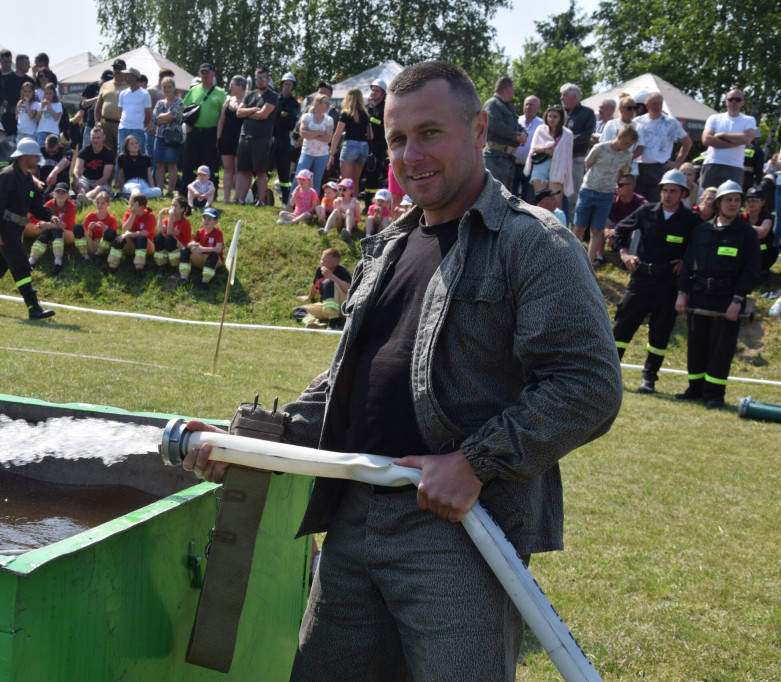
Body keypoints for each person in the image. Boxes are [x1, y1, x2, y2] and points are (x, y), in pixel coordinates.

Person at [181, 60, 621, 681]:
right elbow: (346, 386)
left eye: (430, 133)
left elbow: (589, 386)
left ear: (476, 132)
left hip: (460, 532)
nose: (410, 154)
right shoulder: (386, 245)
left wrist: (475, 463)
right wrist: (254, 442)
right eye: (395, 138)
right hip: (354, 519)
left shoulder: (535, 244)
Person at [612, 169, 703, 394]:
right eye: (664, 190)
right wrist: (624, 254)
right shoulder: (646, 211)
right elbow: (620, 229)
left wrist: (686, 261)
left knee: (660, 334)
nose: (668, 195)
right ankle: (609, 373)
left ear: (683, 193)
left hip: (669, 284)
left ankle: (649, 377)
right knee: (621, 328)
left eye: (673, 191)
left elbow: (702, 247)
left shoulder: (691, 220)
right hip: (641, 279)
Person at [675, 180, 760, 408]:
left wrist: (737, 300)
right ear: (719, 203)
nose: (733, 204)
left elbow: (751, 270)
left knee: (721, 349)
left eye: (736, 200)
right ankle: (695, 389)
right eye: (728, 200)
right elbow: (688, 263)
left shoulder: (747, 234)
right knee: (697, 345)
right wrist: (682, 293)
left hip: (728, 298)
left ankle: (714, 395)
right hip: (700, 294)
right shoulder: (702, 230)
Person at [0, 137, 57, 319]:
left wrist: (49, 215)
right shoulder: (7, 176)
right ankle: (33, 307)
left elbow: (35, 203)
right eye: (35, 157)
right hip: (5, 229)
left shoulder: (27, 178)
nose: (38, 160)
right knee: (21, 265)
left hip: (15, 229)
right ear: (25, 157)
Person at [574, 125, 638, 267]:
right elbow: (588, 163)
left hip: (606, 194)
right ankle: (574, 260)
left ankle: (588, 265)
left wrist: (610, 184)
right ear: (619, 137)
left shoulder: (627, 155)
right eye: (626, 142)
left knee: (597, 230)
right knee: (579, 227)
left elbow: (622, 172)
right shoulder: (600, 148)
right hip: (589, 190)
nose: (628, 146)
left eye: (631, 144)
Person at [634, 91, 692, 201]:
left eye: (660, 103)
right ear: (647, 106)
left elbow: (687, 142)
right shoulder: (637, 122)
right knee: (638, 201)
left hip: (660, 167)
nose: (658, 106)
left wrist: (678, 162)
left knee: (657, 200)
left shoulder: (670, 122)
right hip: (640, 166)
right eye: (654, 104)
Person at [179, 63, 226, 197]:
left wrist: (218, 137)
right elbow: (185, 109)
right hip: (194, 132)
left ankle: (209, 194)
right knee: (188, 163)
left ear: (213, 74)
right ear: (199, 75)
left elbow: (223, 117)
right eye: (202, 73)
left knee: (208, 166)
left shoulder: (220, 92)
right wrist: (188, 126)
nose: (205, 75)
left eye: (207, 72)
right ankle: (184, 193)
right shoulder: (194, 90)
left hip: (211, 133)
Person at [235, 66, 279, 206]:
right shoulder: (250, 94)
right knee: (244, 171)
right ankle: (240, 199)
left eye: (262, 79)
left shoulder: (272, 96)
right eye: (257, 79)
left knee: (261, 172)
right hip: (245, 135)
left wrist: (247, 113)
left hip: (261, 138)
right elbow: (238, 113)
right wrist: (254, 109)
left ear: (268, 79)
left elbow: (263, 115)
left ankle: (261, 201)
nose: (260, 81)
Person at [699, 89, 757, 189]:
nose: (734, 102)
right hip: (712, 164)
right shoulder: (714, 118)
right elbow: (706, 139)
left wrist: (722, 134)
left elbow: (747, 139)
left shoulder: (748, 120)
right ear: (726, 101)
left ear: (742, 102)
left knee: (731, 200)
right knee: (707, 199)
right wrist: (736, 142)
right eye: (731, 99)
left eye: (737, 99)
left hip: (735, 167)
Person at [27, 183, 82, 276]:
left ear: (67, 195)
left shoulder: (71, 206)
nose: (61, 195)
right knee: (45, 233)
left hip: (68, 234)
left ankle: (58, 262)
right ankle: (32, 260)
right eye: (58, 192)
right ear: (54, 194)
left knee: (57, 230)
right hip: (53, 232)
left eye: (63, 192)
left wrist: (47, 225)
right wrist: (44, 226)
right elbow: (44, 220)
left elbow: (62, 225)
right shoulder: (49, 204)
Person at [482, 77, 526, 191]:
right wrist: (516, 136)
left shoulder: (509, 107)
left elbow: (517, 125)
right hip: (495, 157)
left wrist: (524, 134)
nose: (513, 93)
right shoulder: (492, 104)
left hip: (508, 158)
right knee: (495, 194)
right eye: (513, 89)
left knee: (506, 197)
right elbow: (495, 125)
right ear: (507, 88)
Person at [99, 192, 157, 278]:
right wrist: (133, 214)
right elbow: (125, 229)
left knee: (141, 238)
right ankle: (112, 267)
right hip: (132, 245)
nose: (130, 207)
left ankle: (139, 269)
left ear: (141, 207)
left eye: (132, 205)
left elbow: (145, 233)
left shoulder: (150, 216)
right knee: (118, 238)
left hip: (147, 247)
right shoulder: (129, 213)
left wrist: (129, 234)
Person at [292, 247, 351, 330]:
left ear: (335, 263)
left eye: (325, 261)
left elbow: (349, 289)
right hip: (327, 306)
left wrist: (331, 276)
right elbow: (314, 285)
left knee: (327, 283)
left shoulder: (342, 270)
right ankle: (313, 322)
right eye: (321, 259)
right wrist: (309, 297)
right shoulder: (319, 270)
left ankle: (334, 321)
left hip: (343, 306)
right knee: (298, 310)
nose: (321, 263)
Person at [560, 83, 596, 216]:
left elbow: (586, 136)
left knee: (573, 197)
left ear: (575, 97)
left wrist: (565, 141)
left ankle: (574, 231)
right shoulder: (560, 113)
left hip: (577, 159)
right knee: (556, 194)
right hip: (558, 159)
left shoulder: (587, 113)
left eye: (564, 95)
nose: (561, 98)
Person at [524, 105, 574, 198]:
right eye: (549, 116)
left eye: (555, 117)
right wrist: (550, 150)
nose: (551, 119)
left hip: (558, 169)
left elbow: (564, 157)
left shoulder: (567, 134)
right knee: (541, 201)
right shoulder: (541, 130)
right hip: (540, 167)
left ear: (561, 119)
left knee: (555, 203)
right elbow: (534, 149)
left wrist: (544, 149)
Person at [328, 87, 371, 187]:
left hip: (350, 146)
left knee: (346, 182)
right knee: (355, 183)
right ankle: (354, 202)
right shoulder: (365, 114)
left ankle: (345, 202)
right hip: (363, 147)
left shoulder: (346, 113)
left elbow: (337, 134)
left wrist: (332, 153)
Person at [293, 93, 333, 194]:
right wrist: (320, 133)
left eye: (329, 103)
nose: (328, 105)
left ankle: (313, 207)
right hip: (307, 153)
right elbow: (302, 134)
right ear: (318, 103)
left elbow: (328, 138)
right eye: (326, 103)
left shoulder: (329, 119)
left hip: (322, 155)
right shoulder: (307, 117)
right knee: (298, 179)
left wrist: (310, 132)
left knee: (316, 183)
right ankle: (291, 204)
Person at [216, 75, 247, 203]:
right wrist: (219, 138)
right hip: (226, 139)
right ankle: (226, 198)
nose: (229, 87)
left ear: (240, 86)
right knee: (228, 169)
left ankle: (237, 198)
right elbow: (221, 121)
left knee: (239, 170)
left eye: (232, 85)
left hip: (240, 139)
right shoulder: (228, 101)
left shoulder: (248, 100)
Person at [177, 206, 223, 290]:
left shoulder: (218, 232)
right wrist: (192, 244)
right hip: (202, 258)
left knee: (214, 255)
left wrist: (202, 249)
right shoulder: (200, 231)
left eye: (210, 219)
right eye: (204, 218)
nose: (206, 221)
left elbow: (218, 249)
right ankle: (184, 277)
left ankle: (205, 282)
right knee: (185, 250)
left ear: (215, 221)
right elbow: (192, 242)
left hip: (214, 260)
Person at [153, 76, 184, 197]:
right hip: (159, 137)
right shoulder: (159, 102)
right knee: (159, 164)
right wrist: (164, 117)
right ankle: (159, 191)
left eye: (169, 87)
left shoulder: (179, 102)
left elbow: (173, 116)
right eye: (164, 87)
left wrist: (162, 116)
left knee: (171, 164)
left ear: (174, 88)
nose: (166, 89)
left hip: (173, 138)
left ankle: (170, 192)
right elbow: (155, 118)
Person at [273, 72, 301, 205]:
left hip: (285, 139)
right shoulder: (274, 98)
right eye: (285, 84)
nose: (287, 86)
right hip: (271, 137)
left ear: (293, 87)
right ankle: (258, 195)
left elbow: (292, 120)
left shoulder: (294, 103)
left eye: (290, 84)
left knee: (284, 171)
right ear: (281, 85)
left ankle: (285, 199)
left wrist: (284, 115)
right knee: (265, 169)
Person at [116, 68, 152, 164]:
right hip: (123, 128)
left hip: (138, 129)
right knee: (122, 156)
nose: (126, 77)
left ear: (135, 77)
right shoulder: (123, 93)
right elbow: (120, 111)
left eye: (128, 75)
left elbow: (148, 114)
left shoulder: (144, 94)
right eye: (126, 75)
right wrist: (123, 122)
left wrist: (142, 125)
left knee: (139, 155)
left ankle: (140, 177)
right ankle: (120, 178)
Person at [741, 186, 776, 283]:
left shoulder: (767, 217)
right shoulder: (741, 216)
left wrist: (742, 227)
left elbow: (762, 233)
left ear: (762, 202)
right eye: (749, 199)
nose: (751, 202)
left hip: (764, 254)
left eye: (755, 199)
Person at [94, 58, 129, 153]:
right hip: (106, 125)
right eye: (115, 68)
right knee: (107, 153)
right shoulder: (105, 85)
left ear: (125, 71)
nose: (117, 71)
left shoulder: (129, 86)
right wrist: (97, 121)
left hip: (122, 125)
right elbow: (99, 106)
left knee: (122, 152)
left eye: (120, 68)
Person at [73, 124, 115, 201]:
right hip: (86, 179)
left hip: (101, 182)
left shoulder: (108, 153)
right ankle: (85, 199)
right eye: (93, 138)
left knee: (99, 189)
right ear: (90, 138)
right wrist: (77, 181)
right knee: (79, 186)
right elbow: (77, 169)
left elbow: (105, 177)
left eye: (98, 138)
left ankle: (83, 199)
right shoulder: (84, 151)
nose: (95, 140)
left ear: (103, 138)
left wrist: (91, 187)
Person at [514, 95, 543, 203]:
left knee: (528, 199)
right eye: (526, 104)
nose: (528, 107)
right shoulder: (517, 120)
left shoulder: (542, 124)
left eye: (531, 104)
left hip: (531, 167)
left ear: (538, 108)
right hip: (513, 165)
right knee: (510, 195)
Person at [154, 195, 192, 277]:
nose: (171, 208)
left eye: (174, 206)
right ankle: (162, 265)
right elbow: (160, 230)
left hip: (181, 251)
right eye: (171, 205)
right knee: (158, 237)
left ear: (182, 209)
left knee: (169, 238)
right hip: (170, 250)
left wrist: (171, 216)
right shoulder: (167, 220)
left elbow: (169, 232)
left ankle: (177, 267)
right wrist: (160, 215)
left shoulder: (184, 223)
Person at [117, 134, 162, 199]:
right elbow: (121, 175)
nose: (135, 145)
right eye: (132, 144)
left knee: (158, 191)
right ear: (127, 147)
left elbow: (149, 176)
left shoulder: (145, 158)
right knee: (136, 187)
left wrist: (152, 187)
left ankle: (133, 196)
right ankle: (138, 199)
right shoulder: (122, 158)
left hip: (143, 184)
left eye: (136, 143)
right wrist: (121, 191)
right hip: (130, 183)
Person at [83, 190, 119, 266]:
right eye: (98, 203)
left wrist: (104, 230)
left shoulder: (112, 219)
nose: (100, 205)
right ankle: (84, 256)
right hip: (92, 244)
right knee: (79, 229)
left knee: (110, 232)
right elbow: (89, 237)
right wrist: (89, 229)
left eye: (102, 203)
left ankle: (98, 254)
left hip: (104, 246)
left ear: (108, 204)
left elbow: (112, 237)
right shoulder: (90, 216)